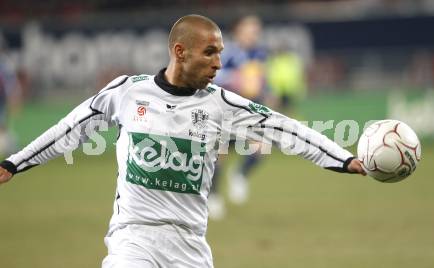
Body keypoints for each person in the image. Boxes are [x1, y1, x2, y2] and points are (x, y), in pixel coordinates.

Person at [0, 14, 365, 268]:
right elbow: (70, 129)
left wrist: (343, 160)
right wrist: (13, 163)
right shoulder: (127, 92)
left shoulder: (223, 104)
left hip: (190, 245)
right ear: (179, 52)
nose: (219, 63)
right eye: (210, 53)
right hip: (133, 238)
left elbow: (287, 129)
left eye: (220, 53)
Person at [208, 15, 269, 219]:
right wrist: (236, 78)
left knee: (261, 148)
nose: (253, 34)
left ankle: (240, 174)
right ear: (239, 32)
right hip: (226, 111)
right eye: (249, 30)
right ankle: (214, 198)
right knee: (220, 157)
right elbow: (215, 76)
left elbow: (261, 80)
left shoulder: (260, 54)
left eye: (255, 30)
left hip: (249, 112)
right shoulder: (228, 53)